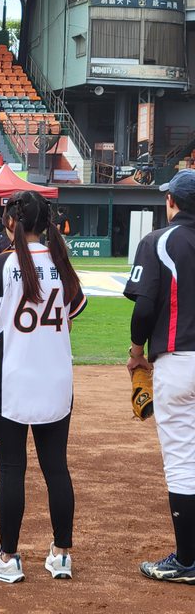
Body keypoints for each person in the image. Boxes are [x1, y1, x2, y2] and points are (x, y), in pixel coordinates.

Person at [0, 190, 86, 583]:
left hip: (12, 382)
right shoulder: (62, 264)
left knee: (12, 470)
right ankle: (62, 555)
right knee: (56, 468)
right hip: (56, 380)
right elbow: (68, 321)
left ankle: (8, 557)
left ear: (11, 222)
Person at [124, 169, 195, 584]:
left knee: (183, 461)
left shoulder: (159, 240)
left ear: (172, 202)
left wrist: (137, 353)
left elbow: (144, 308)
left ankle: (187, 561)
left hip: (179, 360)